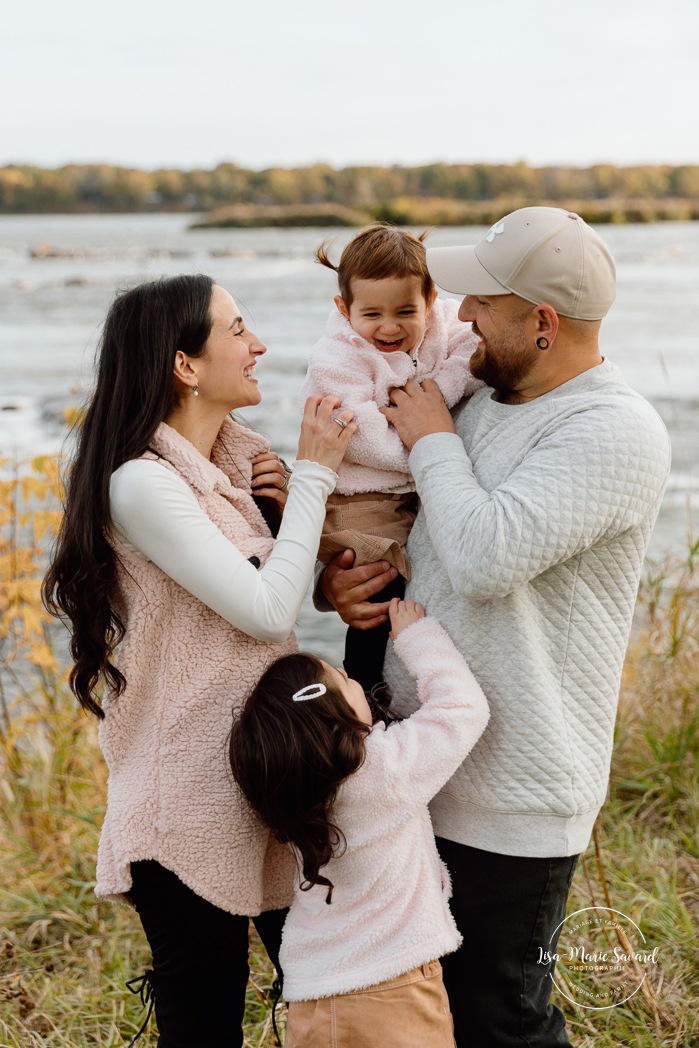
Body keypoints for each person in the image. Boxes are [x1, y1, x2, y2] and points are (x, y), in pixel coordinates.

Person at [318, 207, 672, 1047]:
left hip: (511, 796)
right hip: (413, 772)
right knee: (413, 1019)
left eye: (481, 300)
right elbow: (429, 537)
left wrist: (431, 439)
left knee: (499, 1022)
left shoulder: (610, 429)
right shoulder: (478, 401)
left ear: (541, 321)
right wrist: (344, 586)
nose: (461, 313)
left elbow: (484, 556)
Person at [42, 273, 357, 1048]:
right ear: (185, 364)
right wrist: (317, 472)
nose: (259, 345)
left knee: (337, 1002)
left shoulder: (229, 477)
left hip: (265, 779)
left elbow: (267, 594)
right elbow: (264, 611)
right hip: (186, 803)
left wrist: (298, 522)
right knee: (204, 1024)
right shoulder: (141, 485)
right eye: (238, 329)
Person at [229, 598, 489, 1048]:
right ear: (336, 717)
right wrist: (417, 637)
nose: (352, 677)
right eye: (344, 680)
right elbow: (464, 709)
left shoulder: (297, 795)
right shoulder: (383, 770)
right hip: (393, 991)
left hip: (311, 998)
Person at [299, 224, 480, 691]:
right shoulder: (337, 359)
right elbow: (363, 438)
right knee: (380, 584)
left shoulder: (443, 324)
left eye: (405, 311)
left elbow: (471, 351)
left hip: (408, 488)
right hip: (361, 495)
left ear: (430, 300)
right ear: (344, 309)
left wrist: (437, 392)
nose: (389, 327)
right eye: (372, 314)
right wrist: (428, 437)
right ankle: (364, 687)